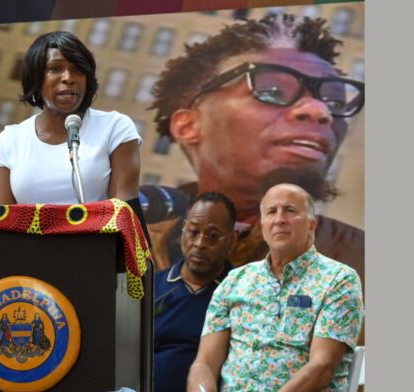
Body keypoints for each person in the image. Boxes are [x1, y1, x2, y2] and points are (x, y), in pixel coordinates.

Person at [147, 14, 365, 283]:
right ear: (188, 126)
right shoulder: (120, 239)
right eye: (273, 90)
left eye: (334, 100)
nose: (321, 111)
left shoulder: (363, 265)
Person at [187, 184, 363, 391]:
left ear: (311, 225)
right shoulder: (235, 281)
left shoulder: (338, 280)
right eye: (271, 212)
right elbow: (205, 364)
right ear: (263, 227)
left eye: (290, 210)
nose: (279, 219)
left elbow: (322, 367)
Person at [0, 30, 141, 205]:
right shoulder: (10, 139)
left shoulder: (115, 128)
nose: (68, 78)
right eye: (55, 69)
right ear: (36, 78)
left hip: (97, 233)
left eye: (77, 69)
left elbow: (123, 215)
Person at [154, 192, 237, 392]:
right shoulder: (150, 287)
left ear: (232, 240)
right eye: (193, 232)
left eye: (212, 236)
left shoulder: (241, 293)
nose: (200, 244)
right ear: (183, 231)